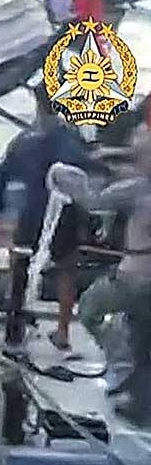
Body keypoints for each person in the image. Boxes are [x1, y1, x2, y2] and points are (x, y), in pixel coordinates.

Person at [0, 94, 97, 350]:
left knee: (20, 266)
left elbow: (2, 178)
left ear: (37, 105)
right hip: (64, 215)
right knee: (66, 270)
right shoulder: (70, 139)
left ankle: (13, 331)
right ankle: (62, 333)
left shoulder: (23, 141)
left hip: (32, 212)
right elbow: (87, 169)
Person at [78, 136, 151, 422]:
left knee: (90, 310)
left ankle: (120, 367)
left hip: (132, 278)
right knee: (143, 338)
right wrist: (114, 154)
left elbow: (92, 201)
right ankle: (139, 399)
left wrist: (66, 176)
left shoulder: (136, 190)